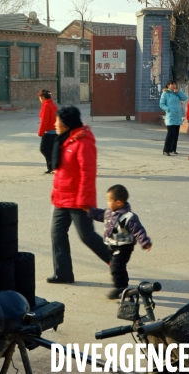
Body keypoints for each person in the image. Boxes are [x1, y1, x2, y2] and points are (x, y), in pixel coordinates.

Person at [48, 106, 109, 284]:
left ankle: (116, 261)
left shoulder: (83, 142)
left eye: (57, 121)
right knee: (57, 234)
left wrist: (84, 200)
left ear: (66, 123)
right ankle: (63, 273)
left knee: (86, 236)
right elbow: (60, 171)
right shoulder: (64, 140)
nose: (55, 124)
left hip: (77, 199)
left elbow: (87, 174)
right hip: (61, 198)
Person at [89, 184, 152, 299]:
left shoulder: (129, 217)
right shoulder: (109, 212)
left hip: (124, 247)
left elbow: (138, 230)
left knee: (116, 267)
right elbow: (99, 214)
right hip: (112, 245)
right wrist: (89, 210)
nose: (107, 203)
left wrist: (145, 242)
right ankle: (124, 281)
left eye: (109, 200)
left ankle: (120, 288)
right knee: (119, 266)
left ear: (118, 202)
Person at [159, 80, 187, 156]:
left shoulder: (176, 93)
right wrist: (168, 109)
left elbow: (185, 98)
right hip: (170, 115)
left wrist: (178, 92)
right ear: (168, 85)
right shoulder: (165, 93)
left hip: (177, 115)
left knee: (176, 134)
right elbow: (161, 104)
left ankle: (173, 149)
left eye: (174, 84)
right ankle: (166, 150)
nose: (174, 85)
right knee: (170, 133)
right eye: (172, 84)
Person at [37, 89, 58, 173]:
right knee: (50, 149)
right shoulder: (52, 105)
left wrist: (40, 132)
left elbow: (44, 121)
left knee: (44, 149)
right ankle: (50, 167)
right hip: (55, 131)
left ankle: (55, 164)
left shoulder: (46, 106)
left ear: (42, 97)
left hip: (48, 132)